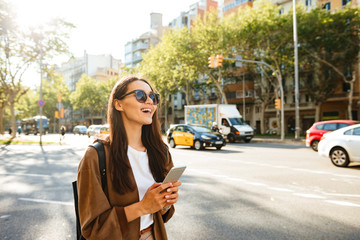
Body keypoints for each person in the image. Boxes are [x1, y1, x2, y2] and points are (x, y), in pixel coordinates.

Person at [76, 76, 181, 240]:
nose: (150, 102)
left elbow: (163, 215)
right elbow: (92, 229)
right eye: (140, 95)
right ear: (118, 104)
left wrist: (165, 203)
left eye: (153, 97)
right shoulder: (96, 155)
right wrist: (142, 207)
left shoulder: (161, 152)